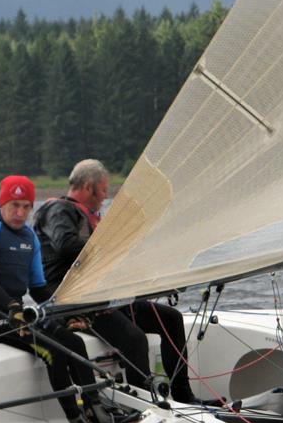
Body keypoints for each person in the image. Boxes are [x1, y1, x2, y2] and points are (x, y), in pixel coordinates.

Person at [33, 159, 201, 403]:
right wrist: (111, 244)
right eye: (103, 190)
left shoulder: (88, 215)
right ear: (89, 186)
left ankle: (183, 395)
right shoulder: (59, 210)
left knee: (171, 319)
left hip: (101, 296)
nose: (105, 196)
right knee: (134, 339)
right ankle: (144, 406)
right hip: (75, 301)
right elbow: (65, 245)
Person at [0, 174, 110, 423]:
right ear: (1, 203)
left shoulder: (29, 236)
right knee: (54, 351)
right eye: (14, 205)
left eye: (26, 206)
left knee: (75, 342)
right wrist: (13, 308)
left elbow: (39, 289)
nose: (20, 213)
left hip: (17, 313)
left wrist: (66, 313)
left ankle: (96, 410)